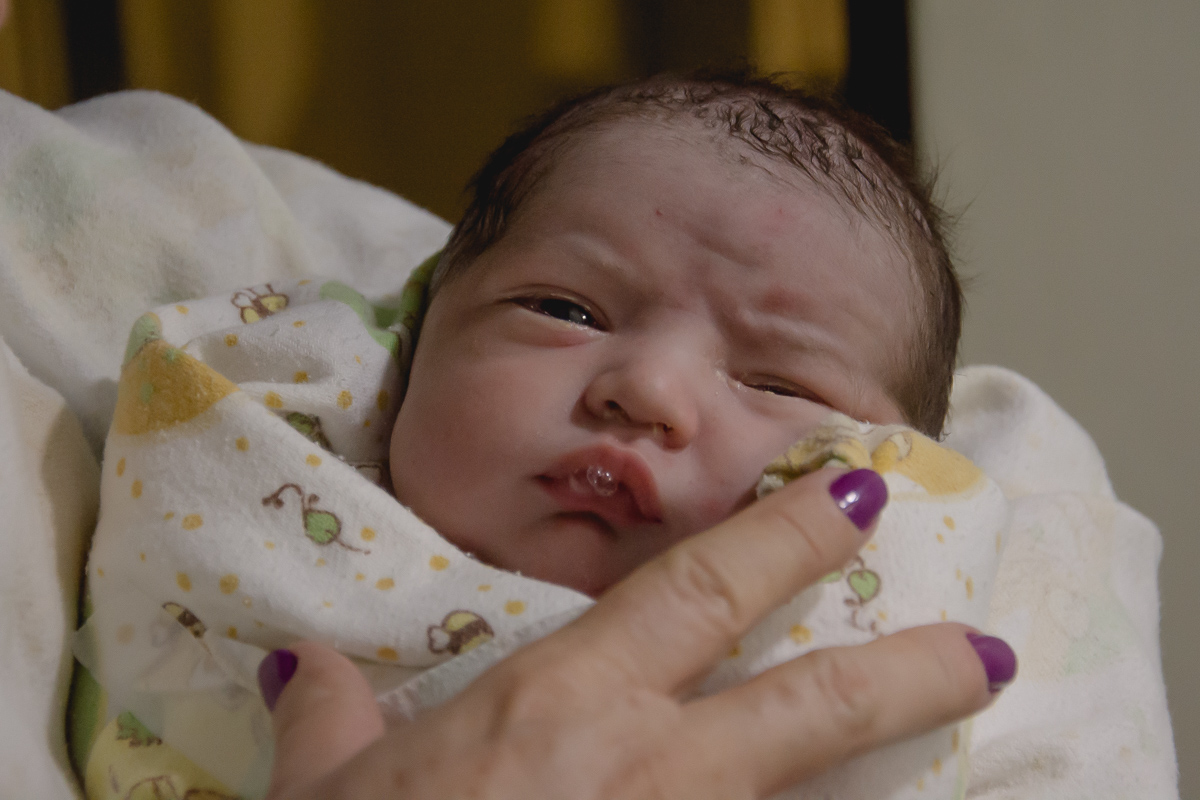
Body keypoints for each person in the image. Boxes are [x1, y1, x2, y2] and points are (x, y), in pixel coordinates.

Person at [72, 73, 1016, 799]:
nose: (647, 389)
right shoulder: (261, 478)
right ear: (413, 338)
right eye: (565, 309)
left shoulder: (903, 630)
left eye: (774, 382)